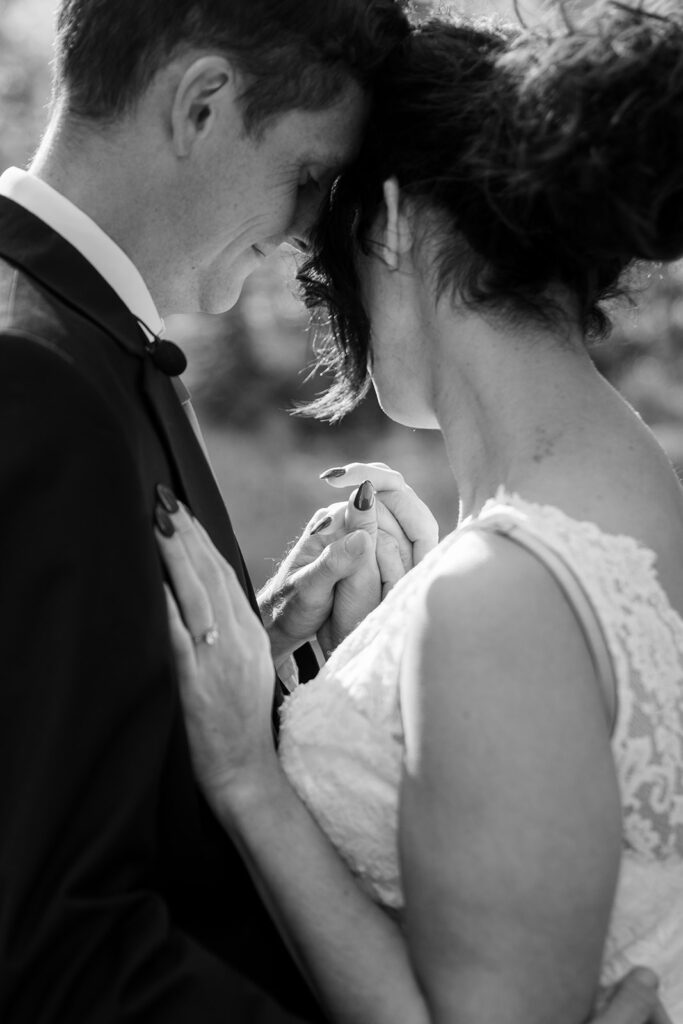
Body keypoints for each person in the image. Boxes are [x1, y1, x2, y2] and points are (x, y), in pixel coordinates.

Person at [154, 5, 683, 1024]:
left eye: (323, 249)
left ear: (389, 220)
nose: (318, 287)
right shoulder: (623, 490)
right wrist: (391, 656)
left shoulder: (502, 595)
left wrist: (242, 773)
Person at [0, 1, 438, 1020]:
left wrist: (257, 639)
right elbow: (54, 943)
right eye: (305, 177)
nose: (302, 236)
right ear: (203, 103)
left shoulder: (77, 338)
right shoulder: (37, 380)